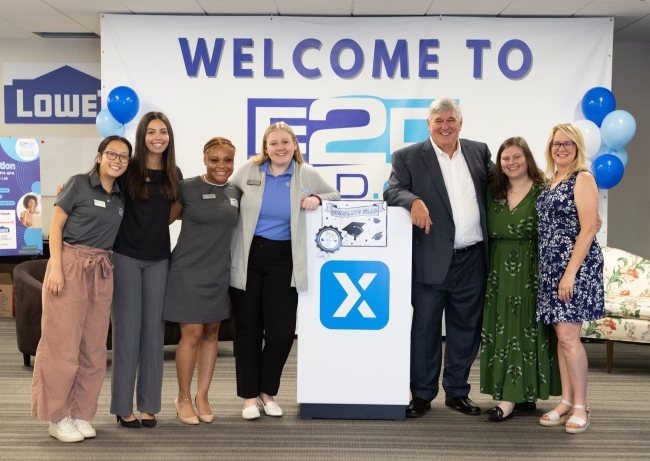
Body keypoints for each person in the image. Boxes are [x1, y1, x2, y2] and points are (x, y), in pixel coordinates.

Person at [383, 97, 494, 418]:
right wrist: (413, 200)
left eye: (450, 120)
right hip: (430, 260)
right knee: (425, 331)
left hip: (472, 260)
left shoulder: (478, 151)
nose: (445, 126)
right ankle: (422, 394)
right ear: (428, 125)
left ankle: (457, 392)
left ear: (460, 123)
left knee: (465, 331)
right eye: (438, 121)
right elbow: (393, 191)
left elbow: (504, 185)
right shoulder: (408, 157)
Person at [229, 121, 340, 420]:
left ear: (294, 145)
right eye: (274, 143)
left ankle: (268, 391)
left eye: (285, 142)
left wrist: (317, 198)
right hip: (248, 256)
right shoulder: (249, 171)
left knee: (280, 333)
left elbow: (335, 196)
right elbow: (227, 196)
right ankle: (250, 397)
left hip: (284, 258)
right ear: (265, 147)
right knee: (248, 330)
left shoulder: (306, 174)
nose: (280, 148)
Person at [31, 136, 131, 442]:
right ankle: (57, 417)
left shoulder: (121, 196)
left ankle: (79, 412)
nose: (117, 160)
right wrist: (57, 268)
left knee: (93, 348)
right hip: (71, 265)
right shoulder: (78, 184)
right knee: (62, 345)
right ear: (99, 156)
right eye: (112, 154)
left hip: (102, 269)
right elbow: (56, 226)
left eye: (124, 157)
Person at [479, 137, 561, 422]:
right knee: (503, 329)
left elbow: (570, 217)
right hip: (499, 272)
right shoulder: (493, 192)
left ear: (527, 159)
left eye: (517, 157)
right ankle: (514, 394)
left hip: (532, 271)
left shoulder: (545, 190)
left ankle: (516, 397)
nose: (511, 163)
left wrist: (594, 220)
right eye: (505, 159)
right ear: (499, 164)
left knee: (527, 328)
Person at [109, 112, 182, 428]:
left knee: (154, 334)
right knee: (127, 333)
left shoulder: (173, 172)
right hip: (125, 257)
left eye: (163, 131)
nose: (157, 137)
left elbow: (175, 209)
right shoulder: (128, 169)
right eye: (151, 131)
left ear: (169, 137)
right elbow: (100, 185)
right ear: (142, 136)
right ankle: (123, 407)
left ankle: (150, 405)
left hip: (158, 259)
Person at [162, 137, 240, 425]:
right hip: (187, 272)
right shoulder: (188, 188)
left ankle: (202, 395)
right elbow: (160, 221)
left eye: (227, 160)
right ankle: (182, 397)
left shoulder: (236, 191)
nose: (222, 165)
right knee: (192, 334)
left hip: (219, 274)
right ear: (205, 160)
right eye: (215, 160)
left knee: (211, 333)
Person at [535, 123, 603, 434]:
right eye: (556, 144)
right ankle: (565, 400)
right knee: (561, 340)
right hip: (551, 269)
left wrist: (570, 274)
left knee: (569, 339)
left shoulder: (583, 178)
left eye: (568, 144)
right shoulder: (552, 181)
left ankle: (581, 405)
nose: (561, 148)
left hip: (574, 268)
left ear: (577, 147)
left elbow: (589, 228)